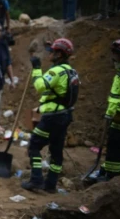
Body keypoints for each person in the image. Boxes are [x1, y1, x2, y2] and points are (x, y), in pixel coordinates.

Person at [22, 39, 78, 192]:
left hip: (52, 117)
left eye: (52, 52)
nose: (50, 54)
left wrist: (37, 68)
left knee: (34, 145)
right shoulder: (71, 71)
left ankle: (36, 180)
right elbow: (54, 94)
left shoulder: (57, 71)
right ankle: (51, 185)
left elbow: (40, 86)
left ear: (59, 54)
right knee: (56, 151)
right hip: (65, 115)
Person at [89, 39, 120, 182]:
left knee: (116, 145)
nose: (115, 57)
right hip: (116, 117)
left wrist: (119, 113)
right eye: (115, 54)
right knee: (112, 144)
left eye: (119, 54)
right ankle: (107, 170)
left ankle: (112, 176)